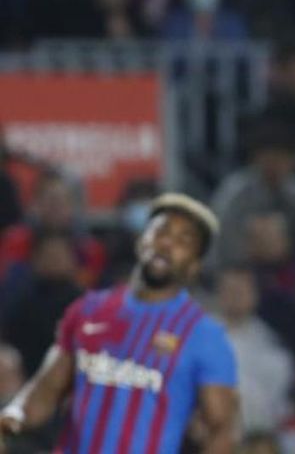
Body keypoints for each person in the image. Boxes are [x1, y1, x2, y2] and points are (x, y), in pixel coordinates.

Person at [0, 194, 239, 454]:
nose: (167, 243)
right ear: (142, 240)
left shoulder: (204, 335)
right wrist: (11, 417)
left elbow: (222, 430)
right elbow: (43, 394)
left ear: (194, 266)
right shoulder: (88, 309)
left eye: (184, 241)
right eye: (161, 231)